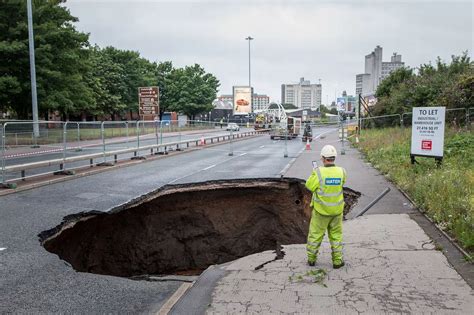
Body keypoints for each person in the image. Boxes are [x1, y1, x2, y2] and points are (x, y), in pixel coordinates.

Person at [305, 145, 346, 269]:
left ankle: (311, 260)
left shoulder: (318, 172)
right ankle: (337, 261)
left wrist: (314, 173)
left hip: (321, 212)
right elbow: (341, 184)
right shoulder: (342, 171)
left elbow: (309, 186)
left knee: (315, 235)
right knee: (336, 236)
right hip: (337, 212)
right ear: (334, 158)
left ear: (323, 158)